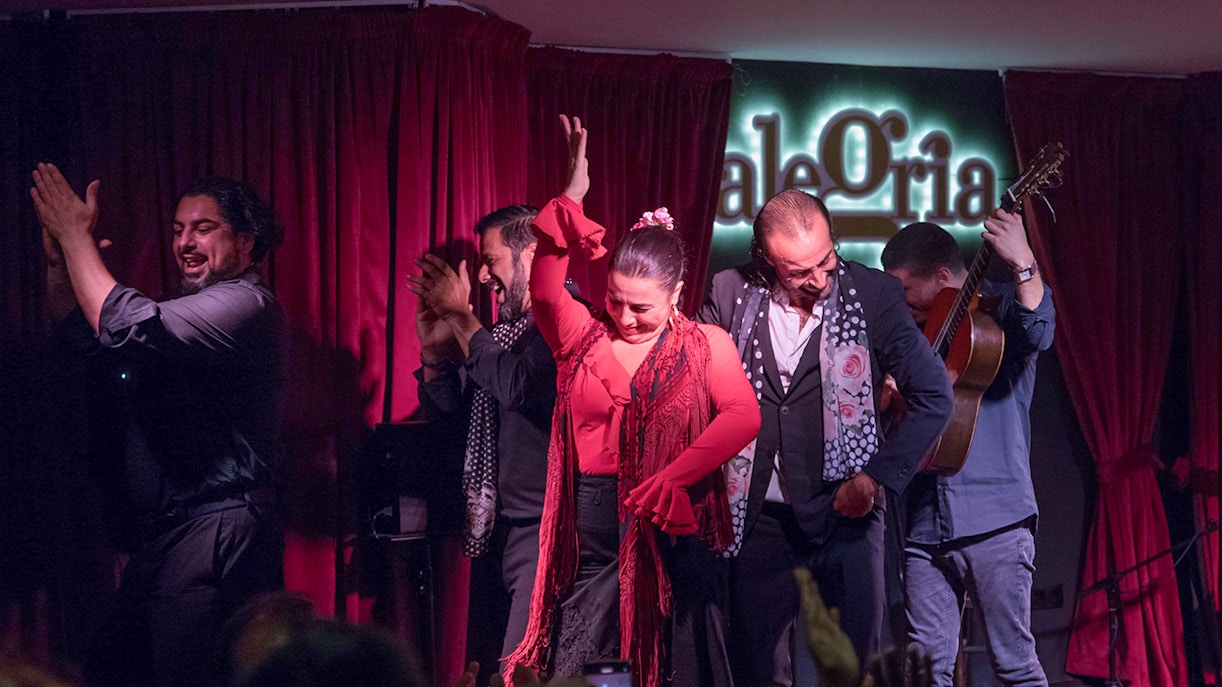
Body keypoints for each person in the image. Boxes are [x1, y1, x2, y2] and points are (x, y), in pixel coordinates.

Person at [506, 116, 760, 687]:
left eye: (640, 307)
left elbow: (744, 415)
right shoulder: (582, 337)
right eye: (615, 300)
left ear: (675, 296)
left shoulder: (705, 344)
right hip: (596, 523)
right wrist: (570, 198)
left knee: (679, 664)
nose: (623, 316)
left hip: (675, 525)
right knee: (591, 665)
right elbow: (546, 290)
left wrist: (675, 476)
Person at [32, 164, 285, 687]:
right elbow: (88, 336)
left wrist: (80, 239)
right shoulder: (181, 312)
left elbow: (127, 327)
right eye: (177, 230)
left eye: (203, 228)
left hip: (215, 526)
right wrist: (62, 266)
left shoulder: (246, 304)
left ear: (244, 243)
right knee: (113, 670)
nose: (185, 243)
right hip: (167, 536)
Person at [697, 188, 953, 686]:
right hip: (760, 521)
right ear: (765, 259)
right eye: (798, 273)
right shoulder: (730, 292)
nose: (818, 280)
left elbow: (934, 395)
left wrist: (876, 478)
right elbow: (694, 382)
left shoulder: (873, 294)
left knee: (853, 670)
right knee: (757, 672)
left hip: (846, 517)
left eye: (825, 261)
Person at [880, 215, 1054, 687]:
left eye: (905, 287)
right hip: (922, 523)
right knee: (923, 671)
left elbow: (1038, 331)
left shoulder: (999, 310)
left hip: (995, 516)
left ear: (940, 278)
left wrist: (1023, 262)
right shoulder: (913, 334)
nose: (900, 300)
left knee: (1014, 664)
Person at [409, 205, 557, 685]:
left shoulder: (562, 325)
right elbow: (454, 425)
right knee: (482, 673)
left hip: (542, 533)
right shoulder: (495, 335)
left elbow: (516, 386)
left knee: (519, 675)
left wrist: (460, 317)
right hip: (492, 532)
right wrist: (434, 354)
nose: (485, 275)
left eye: (492, 260)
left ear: (531, 254)